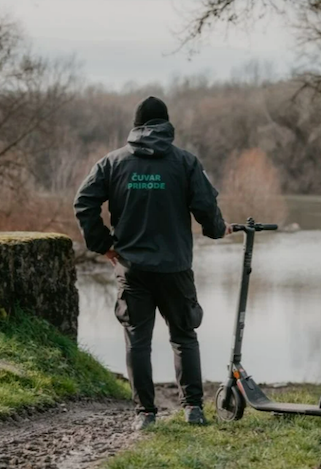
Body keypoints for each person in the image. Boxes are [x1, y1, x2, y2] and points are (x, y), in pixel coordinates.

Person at [74, 96, 230, 431]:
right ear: (166, 124)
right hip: (175, 268)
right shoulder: (185, 162)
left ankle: (145, 414)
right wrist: (218, 230)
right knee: (184, 336)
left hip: (132, 269)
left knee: (137, 340)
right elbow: (206, 206)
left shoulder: (112, 163)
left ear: (136, 126)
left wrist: (104, 246)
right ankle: (193, 409)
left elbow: (83, 202)